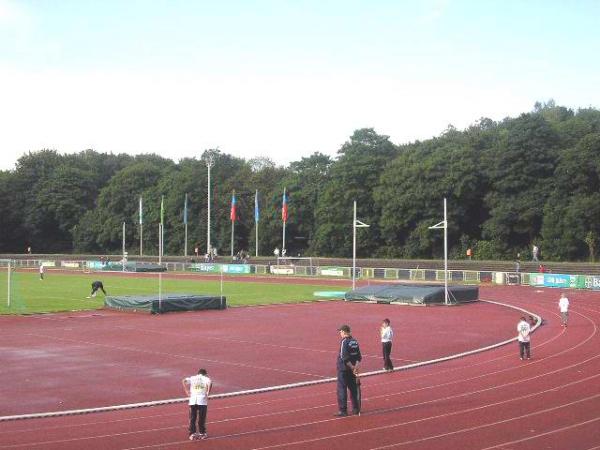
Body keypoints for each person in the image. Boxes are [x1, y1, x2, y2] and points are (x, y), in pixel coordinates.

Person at [335, 324, 362, 416]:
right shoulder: (355, 341)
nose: (340, 334)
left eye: (340, 332)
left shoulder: (344, 342)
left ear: (343, 332)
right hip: (352, 369)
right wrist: (355, 368)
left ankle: (343, 410)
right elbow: (359, 357)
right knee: (353, 389)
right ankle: (356, 408)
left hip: (344, 369)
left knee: (342, 389)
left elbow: (344, 357)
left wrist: (351, 367)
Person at [182, 368, 212, 440]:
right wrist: (208, 393)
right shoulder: (205, 378)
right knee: (201, 418)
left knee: (192, 418)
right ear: (205, 374)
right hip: (202, 401)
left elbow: (183, 380)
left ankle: (192, 434)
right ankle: (202, 433)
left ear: (198, 373)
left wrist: (186, 391)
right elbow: (210, 382)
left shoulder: (193, 378)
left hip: (193, 400)